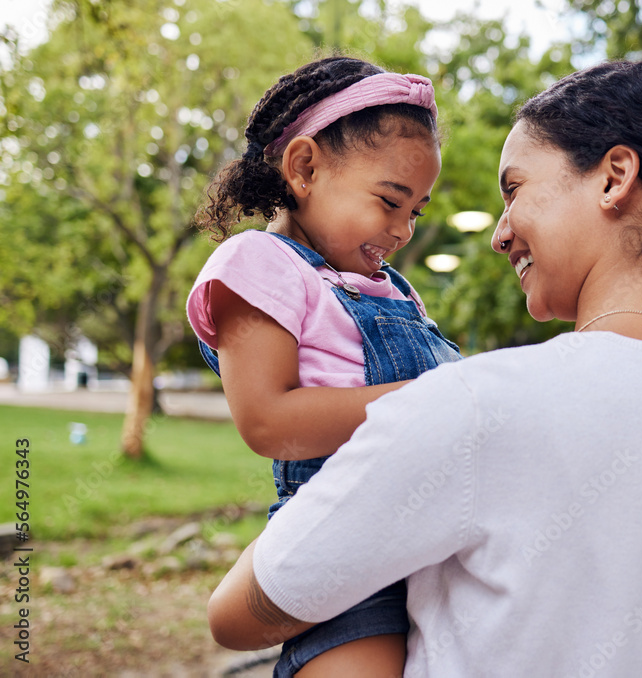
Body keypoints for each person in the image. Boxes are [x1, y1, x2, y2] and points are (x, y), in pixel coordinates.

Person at [207, 59, 642, 677]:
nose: (500, 233)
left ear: (614, 177)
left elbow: (236, 616)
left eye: (514, 188)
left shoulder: (477, 403)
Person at [187, 55, 462, 677]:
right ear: (305, 167)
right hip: (349, 544)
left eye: (414, 211)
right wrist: (437, 399)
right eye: (391, 201)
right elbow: (267, 420)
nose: (402, 231)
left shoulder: (392, 289)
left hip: (438, 540)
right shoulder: (259, 263)